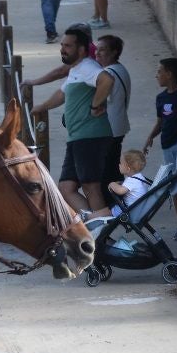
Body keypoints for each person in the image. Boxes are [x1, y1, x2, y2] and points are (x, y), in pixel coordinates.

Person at [29, 25, 114, 214]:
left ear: (81, 49)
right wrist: (42, 107)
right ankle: (95, 225)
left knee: (91, 186)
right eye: (62, 45)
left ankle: (102, 229)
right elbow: (62, 94)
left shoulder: (88, 67)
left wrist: (94, 105)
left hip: (90, 136)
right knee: (66, 189)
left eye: (68, 46)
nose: (62, 49)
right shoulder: (76, 70)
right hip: (77, 138)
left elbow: (107, 80)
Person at [142, 58, 177, 239]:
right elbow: (161, 121)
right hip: (167, 144)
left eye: (159, 72)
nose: (156, 75)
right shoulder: (161, 98)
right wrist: (151, 137)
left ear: (170, 74)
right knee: (174, 184)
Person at [94, 34, 131, 192]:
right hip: (118, 127)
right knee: (113, 169)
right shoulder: (120, 68)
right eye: (97, 50)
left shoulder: (108, 73)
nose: (97, 53)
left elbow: (98, 101)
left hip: (108, 129)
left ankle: (112, 206)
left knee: (106, 174)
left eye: (102, 50)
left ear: (114, 52)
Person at [86, 149, 149, 219]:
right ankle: (92, 215)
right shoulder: (140, 177)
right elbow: (132, 188)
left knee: (109, 210)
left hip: (128, 211)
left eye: (121, 163)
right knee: (109, 208)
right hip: (136, 209)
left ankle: (89, 217)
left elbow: (120, 191)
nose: (119, 165)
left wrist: (112, 184)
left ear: (128, 169)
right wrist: (121, 183)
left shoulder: (131, 180)